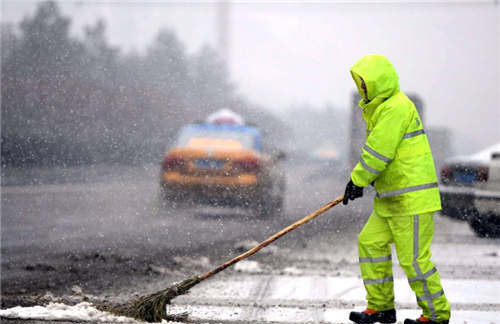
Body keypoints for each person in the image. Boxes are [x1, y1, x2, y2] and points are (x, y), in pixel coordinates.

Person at [343, 54, 451, 324]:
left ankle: (436, 315)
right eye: (360, 84)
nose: (362, 89)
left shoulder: (396, 108)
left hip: (412, 199)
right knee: (370, 243)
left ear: (378, 82)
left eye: (365, 83)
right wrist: (361, 182)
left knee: (413, 260)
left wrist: (357, 180)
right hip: (391, 200)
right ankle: (381, 307)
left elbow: (378, 152)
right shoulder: (381, 108)